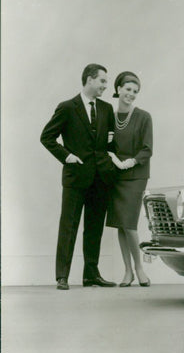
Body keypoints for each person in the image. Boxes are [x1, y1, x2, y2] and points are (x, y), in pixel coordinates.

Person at [41, 63, 118, 290]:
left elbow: (110, 143)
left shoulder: (106, 109)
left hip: (101, 179)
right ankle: (62, 276)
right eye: (103, 81)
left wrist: (109, 166)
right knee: (69, 226)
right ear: (90, 79)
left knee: (94, 228)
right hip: (76, 178)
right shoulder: (67, 107)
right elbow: (47, 137)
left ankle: (91, 275)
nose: (106, 85)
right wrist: (67, 157)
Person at [106, 71, 153, 287]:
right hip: (116, 175)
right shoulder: (110, 116)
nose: (131, 94)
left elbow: (147, 149)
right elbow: (105, 145)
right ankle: (127, 272)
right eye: (127, 89)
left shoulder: (144, 117)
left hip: (135, 176)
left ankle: (140, 269)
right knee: (120, 225)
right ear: (118, 89)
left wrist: (131, 162)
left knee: (130, 224)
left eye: (135, 91)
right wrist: (113, 157)